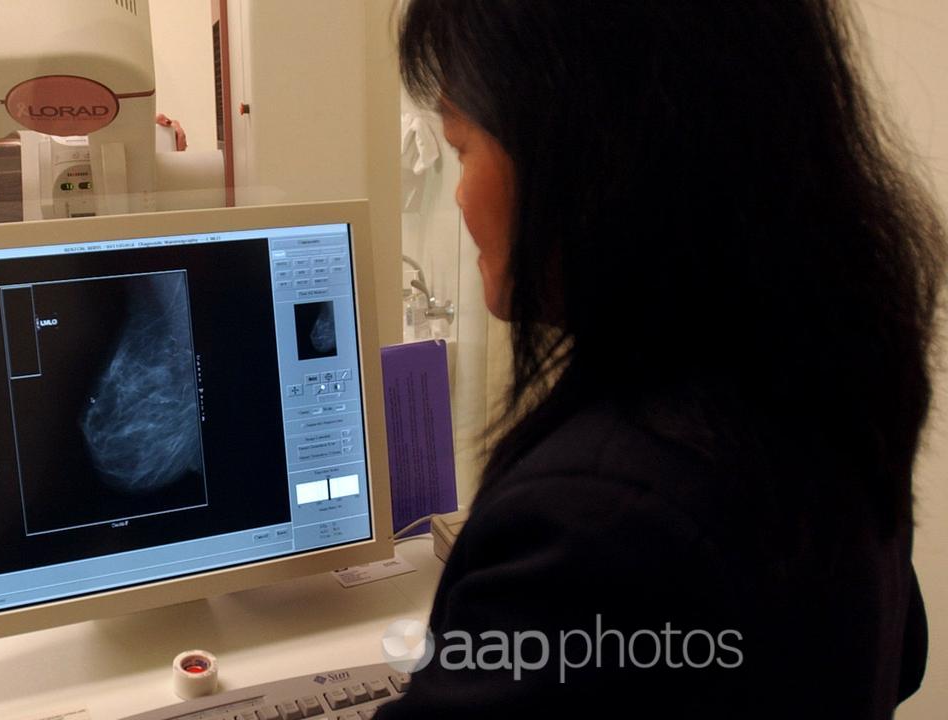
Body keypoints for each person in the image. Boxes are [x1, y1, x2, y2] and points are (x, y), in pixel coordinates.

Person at [377, 1, 943, 718]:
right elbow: (902, 655)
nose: (458, 195)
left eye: (462, 147)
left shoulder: (594, 524)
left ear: (584, 150)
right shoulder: (826, 382)